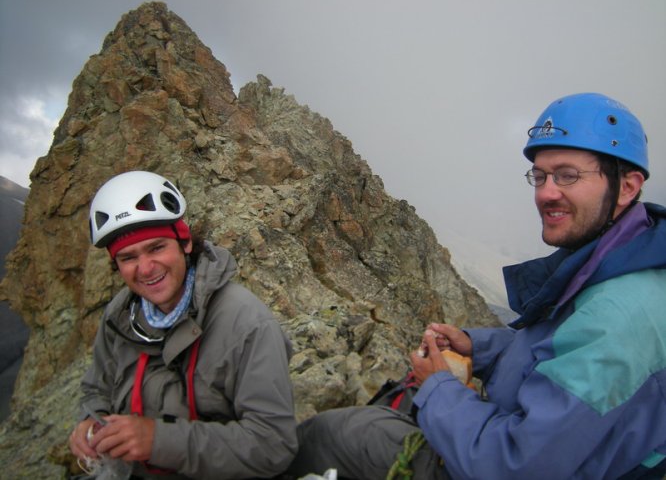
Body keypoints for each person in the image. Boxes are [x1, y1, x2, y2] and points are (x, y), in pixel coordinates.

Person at [287, 93, 666, 479]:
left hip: (498, 462)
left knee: (331, 435)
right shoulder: (611, 260)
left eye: (568, 175)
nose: (546, 192)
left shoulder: (619, 318)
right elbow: (559, 353)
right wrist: (478, 347)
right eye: (540, 175)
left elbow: (515, 466)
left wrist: (437, 385)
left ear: (627, 187)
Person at [68, 170, 298, 479]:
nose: (146, 269)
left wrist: (159, 441)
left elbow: (274, 445)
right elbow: (97, 388)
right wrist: (89, 422)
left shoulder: (246, 323)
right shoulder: (120, 317)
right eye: (128, 257)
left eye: (157, 247)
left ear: (185, 242)